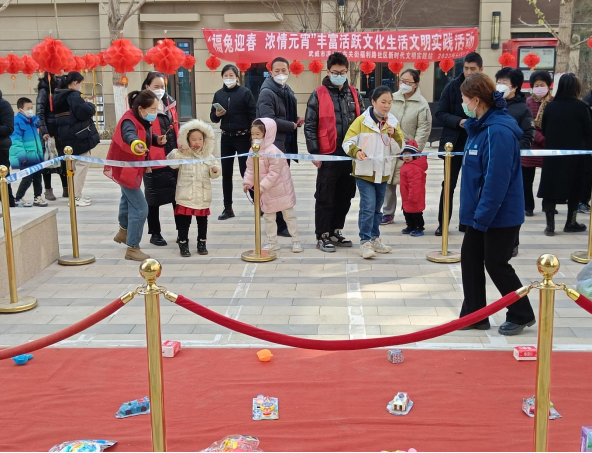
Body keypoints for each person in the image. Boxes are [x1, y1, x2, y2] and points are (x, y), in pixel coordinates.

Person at [457, 73, 536, 336]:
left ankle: (522, 313)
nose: (463, 104)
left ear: (476, 100)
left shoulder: (497, 131)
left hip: (498, 214)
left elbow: (496, 180)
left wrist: (482, 216)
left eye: (464, 99)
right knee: (470, 259)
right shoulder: (480, 127)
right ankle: (475, 314)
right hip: (480, 212)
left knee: (496, 263)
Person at [304, 52, 364, 253]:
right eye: (335, 72)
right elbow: (310, 125)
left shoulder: (354, 94)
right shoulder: (318, 94)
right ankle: (322, 235)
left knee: (345, 195)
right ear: (328, 71)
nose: (339, 75)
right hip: (328, 153)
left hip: (350, 154)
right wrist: (314, 152)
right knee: (325, 196)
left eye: (343, 72)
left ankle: (335, 230)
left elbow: (363, 122)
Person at [104, 90, 166, 261]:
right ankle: (132, 247)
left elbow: (145, 134)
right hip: (126, 168)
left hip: (131, 167)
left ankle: (123, 232)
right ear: (141, 108)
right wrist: (135, 143)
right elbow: (129, 135)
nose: (155, 112)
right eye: (152, 109)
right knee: (140, 208)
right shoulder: (128, 120)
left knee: (127, 199)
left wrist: (156, 140)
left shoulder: (141, 119)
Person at [343, 86, 404, 259]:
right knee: (368, 207)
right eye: (383, 102)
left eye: (390, 102)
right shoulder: (362, 121)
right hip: (364, 172)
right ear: (373, 102)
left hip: (383, 173)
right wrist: (356, 151)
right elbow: (347, 142)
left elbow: (399, 149)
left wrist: (395, 135)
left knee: (378, 209)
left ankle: (375, 238)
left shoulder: (392, 121)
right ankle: (365, 242)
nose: (387, 106)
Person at [435, 52, 483, 236]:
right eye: (466, 68)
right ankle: (443, 223)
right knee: (448, 185)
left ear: (480, 69)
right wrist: (459, 122)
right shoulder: (452, 86)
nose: (469, 72)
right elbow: (440, 113)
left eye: (473, 69)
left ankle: (467, 222)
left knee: (473, 185)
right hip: (454, 143)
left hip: (477, 142)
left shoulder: (485, 88)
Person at [538, 73, 592, 236]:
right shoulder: (581, 106)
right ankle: (570, 222)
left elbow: (544, 129)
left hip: (552, 154)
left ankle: (550, 225)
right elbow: (588, 131)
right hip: (575, 155)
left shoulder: (550, 106)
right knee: (575, 188)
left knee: (550, 188)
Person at [256, 57, 303, 237]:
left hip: (285, 143)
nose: (281, 74)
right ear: (271, 72)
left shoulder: (286, 89)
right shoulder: (267, 92)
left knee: (281, 183)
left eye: (284, 70)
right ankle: (278, 224)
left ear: (289, 71)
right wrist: (291, 125)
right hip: (273, 145)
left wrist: (295, 120)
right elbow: (268, 120)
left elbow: (286, 114)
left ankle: (279, 220)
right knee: (276, 185)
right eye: (277, 71)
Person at [243, 118, 302, 253]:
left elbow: (274, 173)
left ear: (266, 133)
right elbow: (251, 169)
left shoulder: (273, 151)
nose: (255, 137)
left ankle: (296, 241)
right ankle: (272, 242)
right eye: (253, 134)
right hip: (266, 192)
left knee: (289, 216)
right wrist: (247, 182)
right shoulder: (253, 150)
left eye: (258, 134)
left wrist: (261, 187)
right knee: (268, 217)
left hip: (281, 190)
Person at [382, 68, 432, 226]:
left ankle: (410, 214)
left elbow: (423, 129)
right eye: (401, 80)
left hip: (408, 150)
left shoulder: (422, 104)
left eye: (407, 82)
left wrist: (413, 151)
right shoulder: (392, 99)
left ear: (415, 84)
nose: (403, 84)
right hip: (391, 147)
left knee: (408, 184)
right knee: (388, 181)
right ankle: (387, 213)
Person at [495, 67, 535, 257]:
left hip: (511, 163)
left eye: (505, 82)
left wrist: (512, 149)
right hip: (492, 161)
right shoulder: (492, 104)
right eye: (498, 81)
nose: (500, 85)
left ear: (515, 86)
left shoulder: (522, 108)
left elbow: (528, 135)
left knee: (511, 203)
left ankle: (513, 242)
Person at [168, 120, 220, 257]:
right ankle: (183, 243)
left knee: (202, 222)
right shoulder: (183, 154)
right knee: (184, 221)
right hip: (186, 195)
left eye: (200, 139)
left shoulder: (209, 156)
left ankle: (202, 243)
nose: (197, 142)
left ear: (205, 140)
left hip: (202, 195)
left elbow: (215, 172)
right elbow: (172, 163)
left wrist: (215, 170)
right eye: (193, 139)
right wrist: (179, 151)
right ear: (187, 140)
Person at [210, 64, 257, 221]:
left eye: (231, 75)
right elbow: (213, 118)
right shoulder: (218, 94)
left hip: (243, 137)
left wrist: (253, 136)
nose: (228, 78)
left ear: (237, 77)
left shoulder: (245, 93)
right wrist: (217, 114)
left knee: (246, 172)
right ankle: (228, 208)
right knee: (226, 174)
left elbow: (253, 115)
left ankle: (258, 203)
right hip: (226, 138)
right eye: (226, 75)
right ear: (222, 77)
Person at [141, 72, 179, 247]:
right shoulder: (141, 106)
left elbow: (176, 127)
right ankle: (155, 233)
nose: (160, 90)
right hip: (152, 158)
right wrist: (145, 159)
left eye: (162, 86)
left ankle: (181, 231)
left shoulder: (170, 103)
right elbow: (141, 134)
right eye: (156, 86)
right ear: (147, 86)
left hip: (172, 156)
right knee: (153, 198)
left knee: (177, 197)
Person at [53, 71, 100, 207]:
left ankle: (75, 194)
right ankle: (76, 197)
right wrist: (90, 104)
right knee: (81, 165)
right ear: (75, 83)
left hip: (66, 135)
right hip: (78, 135)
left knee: (73, 167)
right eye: (80, 83)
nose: (80, 86)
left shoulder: (58, 96)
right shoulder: (73, 96)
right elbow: (84, 112)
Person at [524, 70, 553, 217]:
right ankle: (528, 206)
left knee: (549, 179)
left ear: (548, 85)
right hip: (531, 145)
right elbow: (527, 125)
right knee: (526, 180)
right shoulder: (527, 103)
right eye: (536, 85)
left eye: (542, 85)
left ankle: (548, 205)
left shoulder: (553, 102)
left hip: (549, 147)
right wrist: (542, 139)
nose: (539, 88)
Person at [9, 97, 48, 207]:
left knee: (38, 177)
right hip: (25, 155)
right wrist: (22, 157)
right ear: (20, 110)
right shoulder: (17, 122)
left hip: (36, 154)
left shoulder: (33, 121)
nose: (31, 110)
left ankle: (38, 196)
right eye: (28, 108)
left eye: (31, 107)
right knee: (27, 178)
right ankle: (18, 198)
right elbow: (16, 141)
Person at [36, 73, 67, 201]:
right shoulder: (44, 90)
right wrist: (44, 131)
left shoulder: (63, 85)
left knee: (64, 161)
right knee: (48, 161)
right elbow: (39, 113)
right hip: (48, 131)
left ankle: (66, 188)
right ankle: (48, 190)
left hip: (61, 130)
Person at [399, 140, 428, 237]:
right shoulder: (407, 165)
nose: (406, 156)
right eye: (404, 154)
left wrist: (413, 197)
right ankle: (410, 226)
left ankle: (419, 227)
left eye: (409, 154)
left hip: (414, 196)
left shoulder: (414, 167)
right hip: (406, 195)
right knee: (407, 212)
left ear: (414, 155)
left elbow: (415, 184)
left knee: (416, 213)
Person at [0, 89, 15, 207]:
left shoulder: (4, 104)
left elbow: (8, 128)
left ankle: (8, 205)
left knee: (4, 180)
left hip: (1, 148)